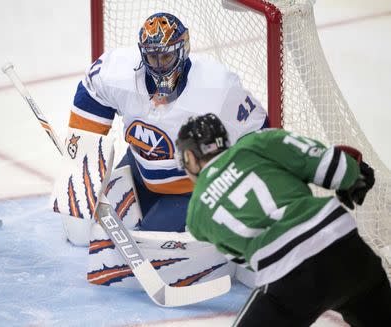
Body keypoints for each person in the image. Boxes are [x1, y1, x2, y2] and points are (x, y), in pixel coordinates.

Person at [50, 12, 268, 289]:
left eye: (165, 56)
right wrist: (85, 157)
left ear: (183, 47)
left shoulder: (218, 87)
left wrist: (233, 194)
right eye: (152, 57)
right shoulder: (118, 72)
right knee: (81, 231)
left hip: (190, 186)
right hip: (139, 171)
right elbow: (92, 92)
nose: (159, 65)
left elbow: (258, 133)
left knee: (146, 250)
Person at [175, 113, 391, 326]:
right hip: (345, 247)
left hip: (290, 279)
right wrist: (354, 174)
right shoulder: (255, 143)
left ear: (190, 158)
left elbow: (247, 259)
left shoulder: (196, 216)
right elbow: (332, 168)